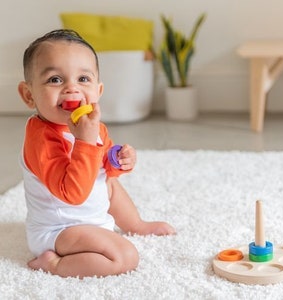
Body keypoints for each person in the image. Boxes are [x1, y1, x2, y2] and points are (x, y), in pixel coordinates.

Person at [18, 29, 175, 279]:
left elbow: (102, 167)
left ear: (98, 90)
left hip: (91, 219)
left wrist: (119, 159)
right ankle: (54, 265)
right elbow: (73, 193)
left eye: (83, 79)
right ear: (29, 94)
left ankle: (136, 224)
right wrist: (85, 141)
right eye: (56, 80)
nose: (72, 89)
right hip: (60, 230)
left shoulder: (90, 125)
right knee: (125, 257)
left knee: (109, 183)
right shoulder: (42, 139)